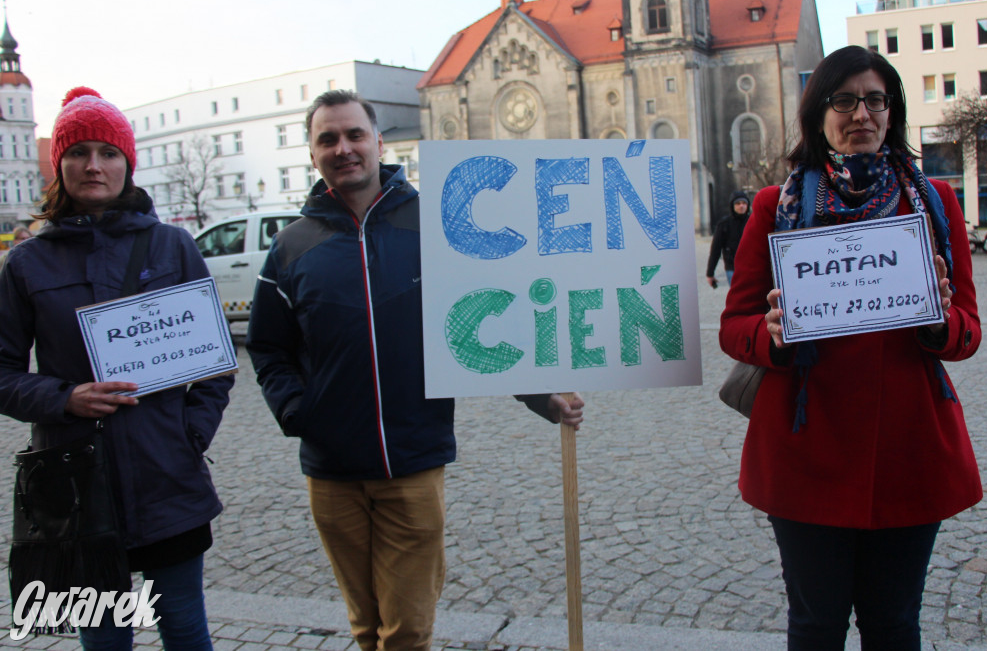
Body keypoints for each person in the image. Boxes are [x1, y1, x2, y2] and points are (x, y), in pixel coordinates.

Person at [246, 90, 585, 651]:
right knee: (364, 627)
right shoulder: (290, 246)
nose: (344, 148)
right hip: (331, 471)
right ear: (312, 154)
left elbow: (486, 319)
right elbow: (268, 347)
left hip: (412, 460)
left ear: (378, 143)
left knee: (406, 632)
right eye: (327, 138)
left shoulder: (437, 224)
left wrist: (541, 395)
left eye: (354, 135)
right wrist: (295, 409)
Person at [719, 46, 981, 650]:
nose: (860, 112)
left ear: (892, 113)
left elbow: (968, 328)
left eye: (874, 99)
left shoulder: (934, 202)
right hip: (807, 449)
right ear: (819, 115)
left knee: (893, 626)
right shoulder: (774, 207)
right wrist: (774, 336)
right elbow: (736, 327)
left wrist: (941, 321)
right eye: (844, 100)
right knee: (815, 626)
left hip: (908, 448)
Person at [0, 87, 233, 650]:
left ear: (127, 163)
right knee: (103, 634)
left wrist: (187, 433)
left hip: (165, 475)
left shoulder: (172, 245)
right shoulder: (28, 262)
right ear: (59, 165)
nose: (93, 165)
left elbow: (217, 368)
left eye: (108, 152)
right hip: (76, 481)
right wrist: (64, 398)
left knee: (183, 622)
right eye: (78, 152)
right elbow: (3, 373)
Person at [706, 190, 750, 287]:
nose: (741, 206)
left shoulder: (753, 222)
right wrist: (710, 273)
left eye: (744, 203)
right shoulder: (724, 224)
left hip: (752, 266)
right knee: (738, 297)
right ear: (732, 206)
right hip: (732, 267)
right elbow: (715, 250)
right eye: (738, 203)